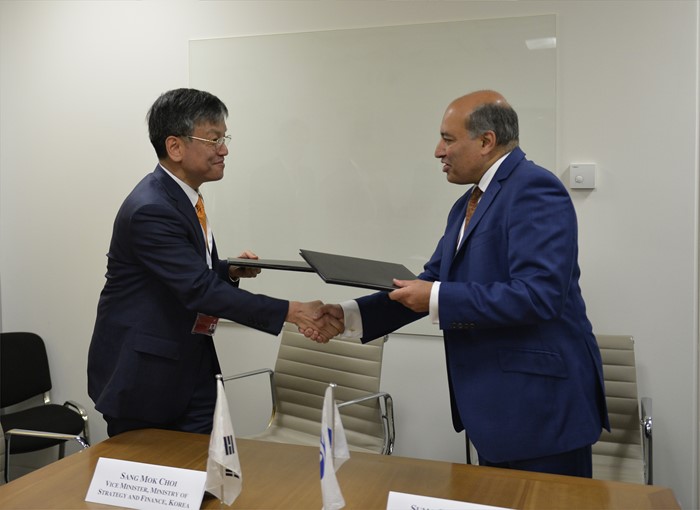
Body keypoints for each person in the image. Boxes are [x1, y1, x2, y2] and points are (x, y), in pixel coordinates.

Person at [316, 90, 609, 477]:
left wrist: (434, 295)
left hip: (542, 411)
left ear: (486, 141)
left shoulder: (535, 188)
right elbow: (431, 282)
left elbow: (539, 295)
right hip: (496, 411)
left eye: (448, 139)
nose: (438, 151)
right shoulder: (465, 205)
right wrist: (349, 316)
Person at [88, 88, 341, 437]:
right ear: (175, 147)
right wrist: (293, 311)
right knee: (155, 471)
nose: (224, 150)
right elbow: (197, 289)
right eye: (213, 139)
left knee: (211, 466)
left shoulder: (183, 198)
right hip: (146, 378)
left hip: (189, 367)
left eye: (224, 138)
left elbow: (180, 274)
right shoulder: (152, 209)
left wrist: (227, 271)